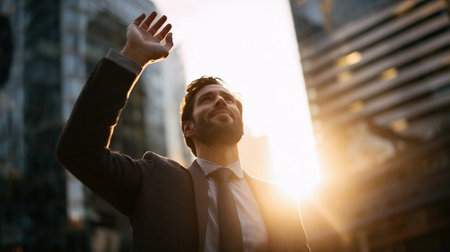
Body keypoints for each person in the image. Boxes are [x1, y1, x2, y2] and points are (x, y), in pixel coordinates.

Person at [56, 12, 310, 252]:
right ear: (188, 128)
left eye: (228, 99)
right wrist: (133, 55)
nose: (221, 102)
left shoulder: (280, 200)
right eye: (207, 99)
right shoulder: (154, 180)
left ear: (241, 126)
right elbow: (79, 151)